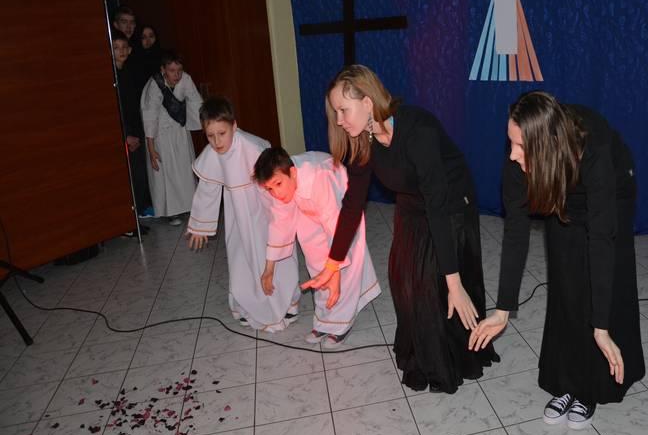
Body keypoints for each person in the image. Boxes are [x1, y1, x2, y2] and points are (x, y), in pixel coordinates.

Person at [304, 64, 498, 392]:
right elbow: (352, 204)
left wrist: (454, 283)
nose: (338, 120)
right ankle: (420, 352)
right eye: (335, 112)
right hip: (410, 202)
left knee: (435, 281)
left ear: (368, 102)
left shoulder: (418, 129)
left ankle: (456, 355)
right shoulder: (364, 139)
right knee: (403, 277)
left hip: (450, 202)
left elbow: (437, 206)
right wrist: (333, 263)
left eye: (343, 110)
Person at [469, 91, 645, 430]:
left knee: (598, 273)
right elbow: (516, 233)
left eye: (521, 146)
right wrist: (503, 310)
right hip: (558, 181)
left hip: (612, 186)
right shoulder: (520, 165)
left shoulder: (594, 146)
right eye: (510, 143)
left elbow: (601, 241)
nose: (512, 154)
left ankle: (590, 387)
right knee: (566, 277)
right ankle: (565, 381)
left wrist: (601, 328)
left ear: (546, 146)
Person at [186, 97, 300, 331]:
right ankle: (247, 304)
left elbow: (271, 177)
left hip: (262, 209)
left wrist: (281, 212)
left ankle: (288, 301)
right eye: (210, 136)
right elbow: (207, 189)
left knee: (275, 253)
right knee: (241, 258)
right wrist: (199, 226)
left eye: (222, 133)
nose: (217, 141)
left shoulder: (253, 148)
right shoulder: (212, 154)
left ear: (234, 126)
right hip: (237, 215)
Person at [253, 147, 381, 348]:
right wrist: (269, 268)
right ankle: (323, 321)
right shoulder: (284, 181)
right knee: (316, 265)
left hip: (340, 213)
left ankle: (341, 324)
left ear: (292, 172)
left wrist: (335, 272)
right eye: (269, 189)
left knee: (343, 268)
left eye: (278, 184)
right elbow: (279, 224)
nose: (276, 193)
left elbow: (334, 225)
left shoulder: (319, 176)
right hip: (308, 210)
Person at [140, 50, 203, 225]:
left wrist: (208, 126)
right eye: (172, 71)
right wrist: (151, 149)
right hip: (160, 134)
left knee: (184, 168)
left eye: (179, 70)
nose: (177, 75)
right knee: (166, 172)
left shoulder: (186, 79)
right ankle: (171, 212)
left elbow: (196, 102)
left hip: (180, 130)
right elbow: (150, 117)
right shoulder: (154, 85)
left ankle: (190, 206)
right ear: (163, 70)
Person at [111, 29, 152, 223]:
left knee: (140, 175)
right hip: (123, 133)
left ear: (129, 50)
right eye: (116, 48)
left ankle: (138, 215)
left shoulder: (129, 72)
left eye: (124, 47)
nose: (121, 51)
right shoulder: (111, 76)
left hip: (136, 131)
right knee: (129, 178)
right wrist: (126, 135)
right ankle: (129, 221)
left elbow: (135, 106)